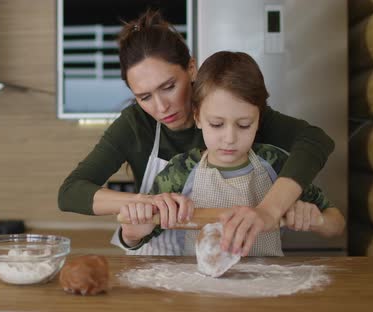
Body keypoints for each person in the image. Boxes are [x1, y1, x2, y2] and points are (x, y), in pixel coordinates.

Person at [58, 10, 335, 253]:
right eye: (145, 97)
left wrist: (270, 210)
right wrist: (144, 203)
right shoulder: (135, 123)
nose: (161, 106)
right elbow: (70, 192)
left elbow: (315, 140)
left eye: (168, 87)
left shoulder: (231, 108)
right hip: (160, 263)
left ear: (191, 68)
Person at [117, 51, 346, 256]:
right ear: (197, 117)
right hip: (196, 293)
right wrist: (133, 231)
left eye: (244, 124)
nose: (230, 138)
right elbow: (137, 237)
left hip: (265, 290)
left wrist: (313, 219)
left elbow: (336, 224)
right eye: (216, 124)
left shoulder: (275, 163)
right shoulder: (179, 172)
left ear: (259, 120)